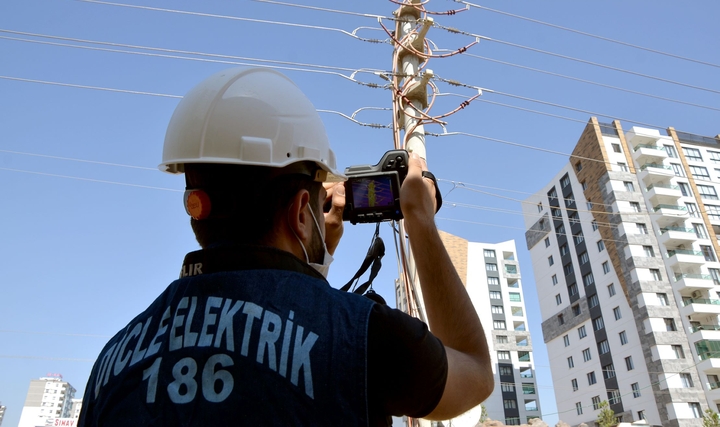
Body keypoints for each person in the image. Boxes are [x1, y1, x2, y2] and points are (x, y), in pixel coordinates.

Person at [78, 67, 493, 426]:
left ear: (196, 204)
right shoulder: (363, 337)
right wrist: (420, 219)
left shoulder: (113, 360)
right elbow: (474, 373)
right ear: (299, 211)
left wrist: (314, 265)